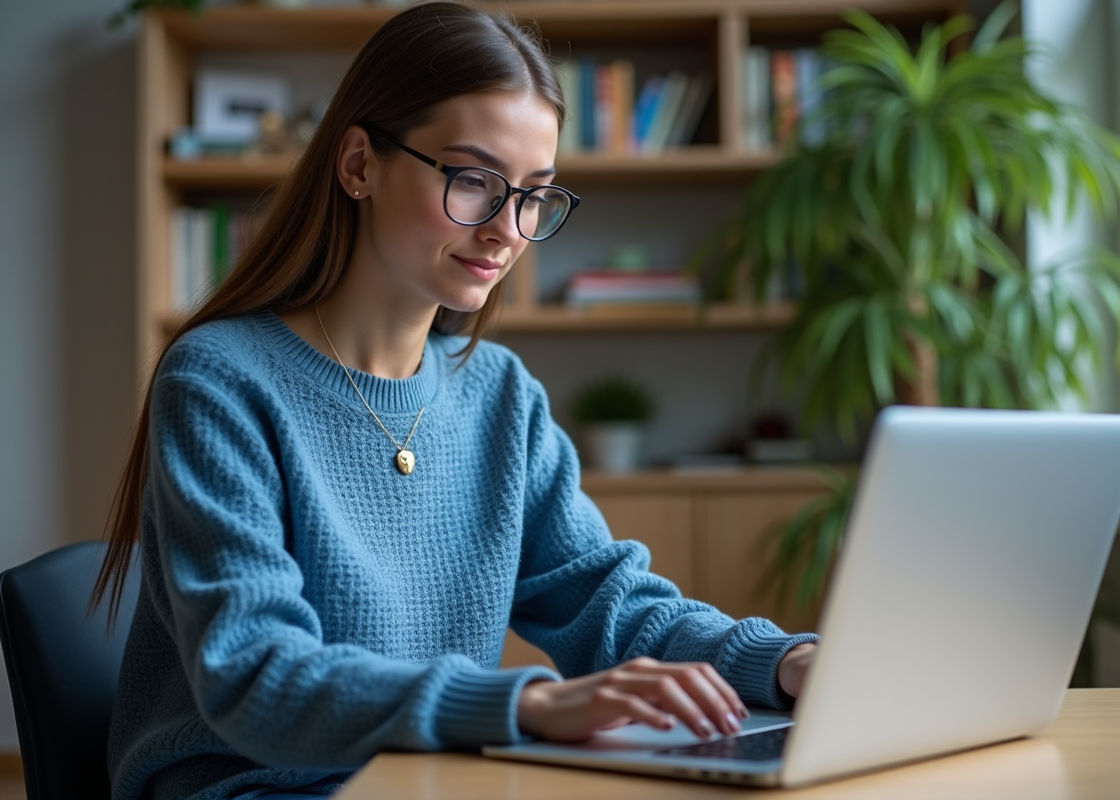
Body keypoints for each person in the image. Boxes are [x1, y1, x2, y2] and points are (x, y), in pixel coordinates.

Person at [92, 3, 818, 798]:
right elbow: (257, 677)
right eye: (474, 180)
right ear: (360, 165)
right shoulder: (221, 379)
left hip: (430, 781)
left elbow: (607, 602)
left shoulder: (498, 391)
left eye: (534, 195)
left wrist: (781, 664)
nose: (508, 228)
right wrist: (533, 703)